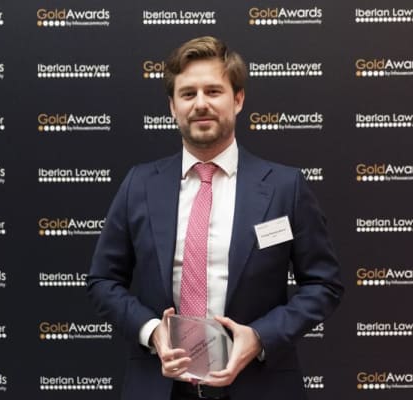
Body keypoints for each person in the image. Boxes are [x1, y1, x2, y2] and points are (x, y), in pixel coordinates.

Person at [87, 36, 343, 400]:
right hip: (160, 388)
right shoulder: (139, 185)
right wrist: (152, 331)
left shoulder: (285, 187)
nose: (200, 104)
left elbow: (323, 284)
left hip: (260, 387)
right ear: (172, 107)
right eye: (187, 94)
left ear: (238, 99)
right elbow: (103, 280)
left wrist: (260, 337)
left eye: (213, 91)